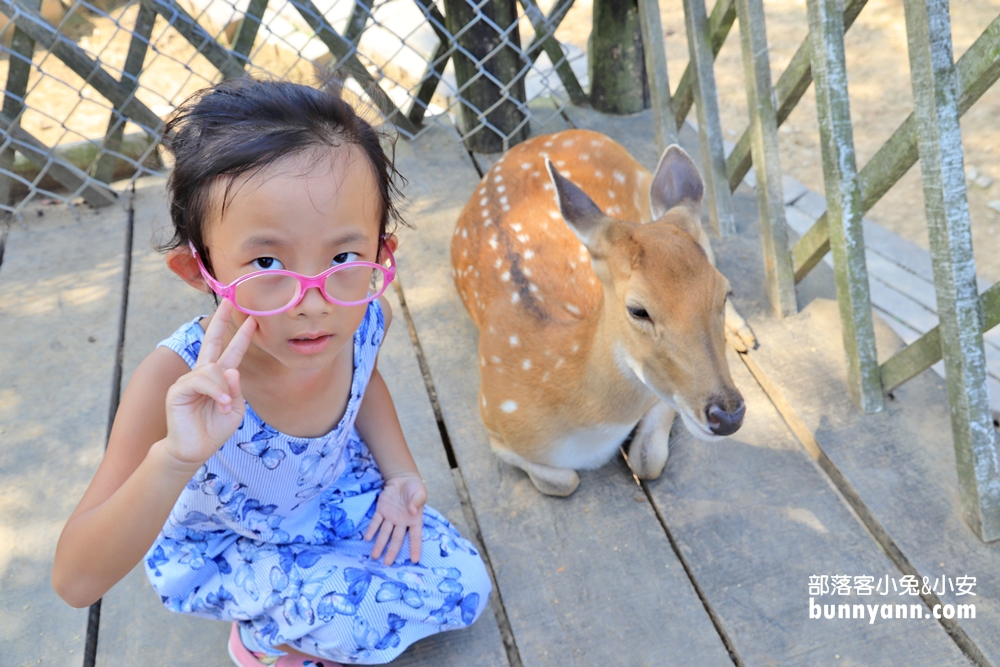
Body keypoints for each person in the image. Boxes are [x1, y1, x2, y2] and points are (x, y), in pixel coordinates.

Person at [52, 79, 492, 666]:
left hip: (334, 501)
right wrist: (175, 458)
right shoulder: (171, 381)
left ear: (382, 253)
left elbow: (366, 384)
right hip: (235, 543)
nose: (313, 302)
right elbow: (74, 581)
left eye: (342, 257)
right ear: (197, 268)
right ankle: (262, 637)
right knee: (348, 625)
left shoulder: (362, 316)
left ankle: (311, 612)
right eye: (266, 262)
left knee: (466, 581)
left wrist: (401, 474)